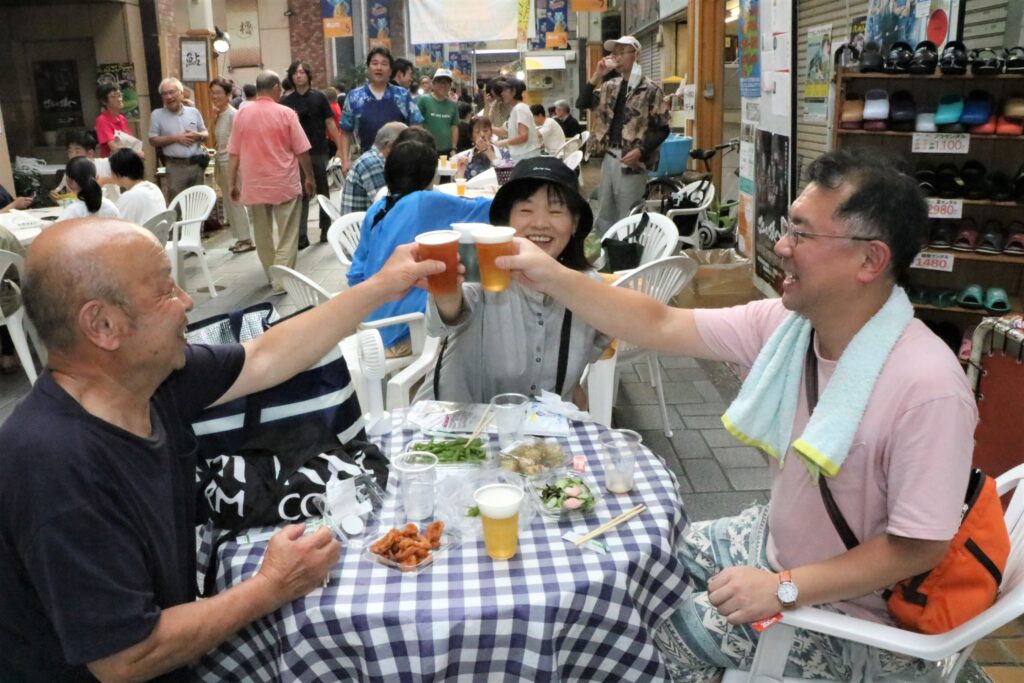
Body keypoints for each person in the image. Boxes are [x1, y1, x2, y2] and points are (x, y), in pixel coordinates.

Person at [499, 149, 976, 681]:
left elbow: (920, 546)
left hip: (857, 615)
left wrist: (782, 588)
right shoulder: (789, 326)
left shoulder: (927, 387)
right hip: (774, 543)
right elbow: (658, 322)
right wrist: (548, 273)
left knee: (638, 641)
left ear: (870, 260)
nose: (781, 245)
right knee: (633, 569)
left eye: (802, 234)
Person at [0, 217, 446, 682]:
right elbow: (126, 657)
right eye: (166, 291)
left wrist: (380, 287)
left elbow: (264, 357)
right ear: (103, 325)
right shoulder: (53, 464)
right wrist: (273, 585)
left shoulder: (145, 383)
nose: (186, 303)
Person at [416, 156, 609, 404]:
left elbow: (592, 351)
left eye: (556, 211)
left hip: (539, 435)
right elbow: (442, 321)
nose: (540, 223)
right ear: (507, 221)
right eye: (526, 210)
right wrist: (448, 289)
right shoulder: (484, 269)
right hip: (459, 428)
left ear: (574, 224)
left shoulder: (588, 287)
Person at [348, 140, 490, 355]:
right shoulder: (424, 201)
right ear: (428, 174)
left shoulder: (378, 207)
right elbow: (484, 209)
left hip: (370, 327)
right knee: (477, 307)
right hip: (405, 332)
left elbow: (356, 273)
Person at [226, 70, 315, 295]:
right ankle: (281, 279)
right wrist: (309, 177)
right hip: (283, 182)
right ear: (276, 88)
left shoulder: (241, 115)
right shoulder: (286, 113)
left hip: (254, 184)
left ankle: (271, 274)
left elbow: (233, 153)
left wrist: (231, 183)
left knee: (262, 234)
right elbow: (302, 150)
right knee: (288, 233)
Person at [576, 36, 669, 233]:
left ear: (636, 55)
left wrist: (640, 151)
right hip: (609, 155)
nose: (616, 57)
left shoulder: (651, 89)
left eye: (621, 52)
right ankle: (607, 253)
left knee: (628, 213)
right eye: (614, 53)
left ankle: (628, 255)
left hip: (632, 160)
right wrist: (597, 75)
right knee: (604, 211)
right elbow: (582, 103)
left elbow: (663, 128)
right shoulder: (610, 86)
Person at [281, 61, 344, 248]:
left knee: (323, 190)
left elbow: (330, 124)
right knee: (301, 192)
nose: (299, 75)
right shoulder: (286, 101)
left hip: (318, 149)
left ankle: (326, 228)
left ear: (308, 75)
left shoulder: (320, 97)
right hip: (296, 154)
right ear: (291, 77)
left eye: (302, 72)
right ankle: (301, 235)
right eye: (295, 72)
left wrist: (339, 147)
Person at [339, 47, 423, 176]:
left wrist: (415, 156)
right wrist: (345, 161)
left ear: (390, 70)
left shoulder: (402, 95)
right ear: (368, 68)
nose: (379, 68)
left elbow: (416, 126)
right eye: (375, 63)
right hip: (367, 165)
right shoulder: (354, 97)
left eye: (384, 64)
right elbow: (345, 132)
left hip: (401, 164)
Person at [208, 77, 254, 254]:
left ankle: (246, 238)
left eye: (218, 93)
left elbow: (239, 142)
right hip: (222, 160)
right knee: (229, 201)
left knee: (236, 200)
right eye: (212, 93)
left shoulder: (233, 115)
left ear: (228, 95)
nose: (214, 96)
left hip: (232, 162)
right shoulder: (219, 114)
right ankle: (240, 237)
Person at [149, 77, 209, 199]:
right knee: (177, 203)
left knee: (197, 202)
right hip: (175, 167)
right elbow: (153, 140)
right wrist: (176, 138)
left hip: (196, 165)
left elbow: (205, 133)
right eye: (164, 94)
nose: (169, 97)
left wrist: (198, 135)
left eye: (171, 92)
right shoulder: (157, 114)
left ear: (181, 93)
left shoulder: (194, 112)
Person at [339, 121, 406, 216]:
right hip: (361, 227)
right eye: (406, 146)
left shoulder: (376, 159)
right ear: (389, 146)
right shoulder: (373, 163)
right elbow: (387, 206)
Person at [109, 149, 166, 226]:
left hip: (141, 237)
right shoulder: (153, 187)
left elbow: (114, 225)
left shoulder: (130, 196)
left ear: (118, 172)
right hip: (160, 236)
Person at [55, 157, 120, 222]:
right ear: (97, 178)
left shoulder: (73, 211)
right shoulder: (110, 207)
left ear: (70, 182)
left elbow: (55, 231)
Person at [0, 224, 27, 375]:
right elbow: (20, 270)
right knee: (9, 289)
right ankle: (8, 354)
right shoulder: (2, 233)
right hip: (3, 305)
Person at [494, 79, 540, 162]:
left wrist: (504, 142)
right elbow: (502, 131)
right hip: (522, 155)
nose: (502, 93)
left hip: (526, 156)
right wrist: (487, 126)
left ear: (513, 92)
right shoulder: (516, 109)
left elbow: (523, 136)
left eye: (505, 90)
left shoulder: (520, 109)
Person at [418, 68, 460, 158]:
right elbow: (418, 124)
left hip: (447, 151)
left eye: (447, 83)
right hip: (427, 149)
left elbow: (454, 127)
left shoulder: (453, 104)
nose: (444, 86)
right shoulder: (424, 100)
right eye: (440, 82)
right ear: (433, 84)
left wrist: (454, 148)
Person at [454, 116, 511, 181]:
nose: (482, 134)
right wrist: (461, 171)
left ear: (491, 132)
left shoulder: (505, 153)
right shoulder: (465, 158)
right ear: (472, 136)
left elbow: (506, 180)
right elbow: (458, 187)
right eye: (477, 132)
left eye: (485, 131)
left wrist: (489, 152)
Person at [94, 83, 133, 158]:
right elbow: (114, 147)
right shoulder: (102, 120)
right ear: (103, 101)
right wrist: (134, 153)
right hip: (113, 163)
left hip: (127, 161)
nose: (119, 99)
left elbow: (131, 141)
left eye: (119, 95)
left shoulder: (122, 118)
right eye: (113, 97)